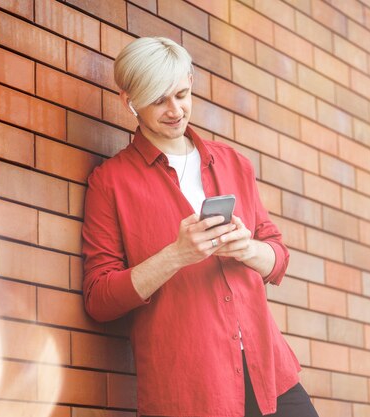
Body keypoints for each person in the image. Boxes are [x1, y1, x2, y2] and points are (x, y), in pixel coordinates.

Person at [82, 36, 320, 417]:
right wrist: (176, 255)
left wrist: (249, 249)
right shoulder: (110, 182)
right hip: (190, 388)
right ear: (129, 101)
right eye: (159, 100)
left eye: (181, 94)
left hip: (269, 373)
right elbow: (99, 297)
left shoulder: (234, 163)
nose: (175, 110)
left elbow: (277, 258)